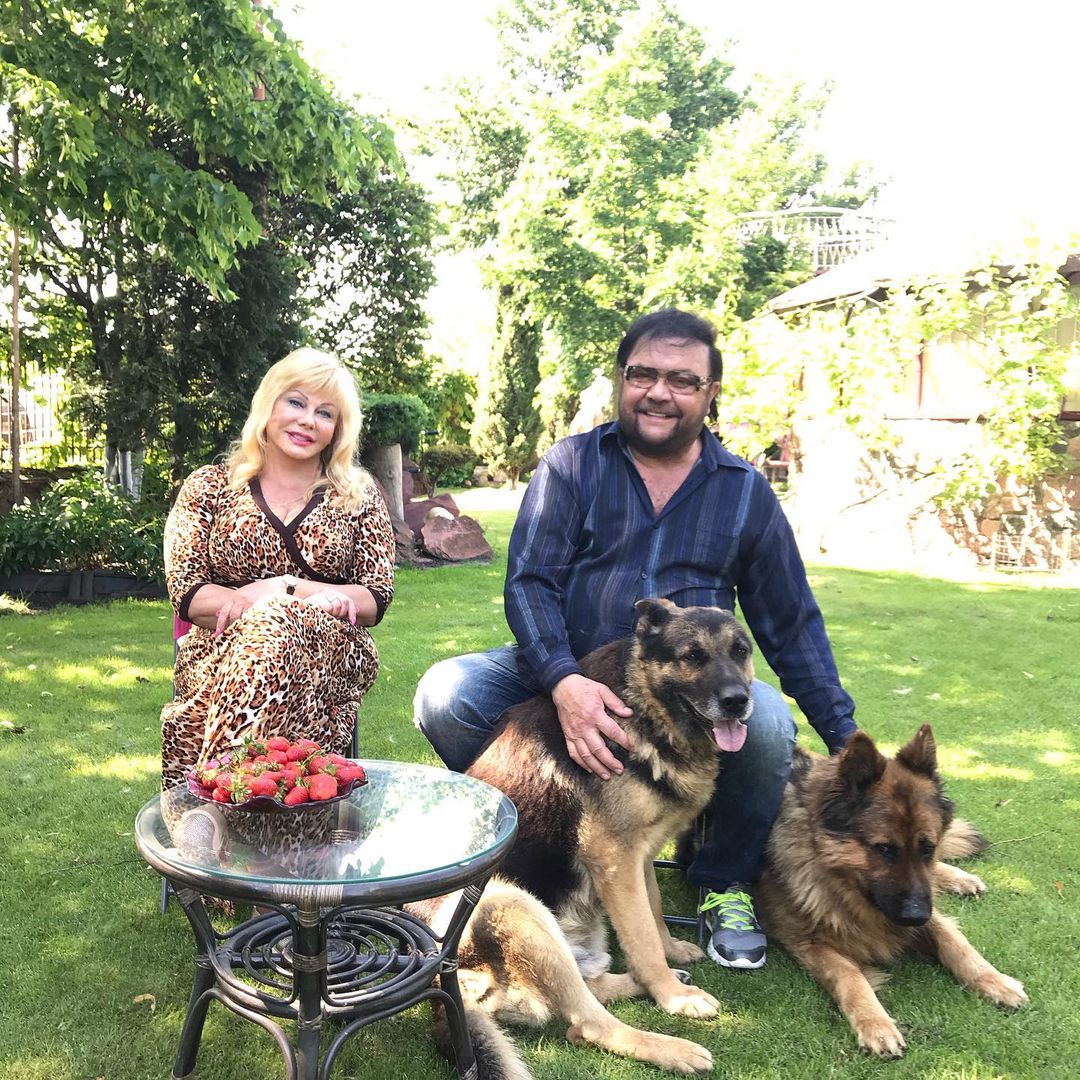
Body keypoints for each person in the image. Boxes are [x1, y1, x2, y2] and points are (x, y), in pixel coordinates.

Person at [414, 308, 856, 970]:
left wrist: (845, 737)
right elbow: (530, 583)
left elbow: (790, 623)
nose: (658, 392)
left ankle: (720, 879)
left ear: (710, 393)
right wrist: (564, 682)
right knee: (447, 693)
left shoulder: (745, 494)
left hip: (686, 681)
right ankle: (545, 841)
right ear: (621, 379)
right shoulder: (571, 466)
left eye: (682, 380)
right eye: (642, 374)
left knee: (765, 727)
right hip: (564, 663)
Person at [160, 347, 395, 788]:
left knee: (279, 621)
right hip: (219, 652)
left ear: (337, 429)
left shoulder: (357, 495)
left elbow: (375, 596)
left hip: (328, 657)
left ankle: (218, 795)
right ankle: (263, 795)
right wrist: (280, 608)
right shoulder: (210, 487)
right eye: (296, 402)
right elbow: (188, 592)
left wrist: (284, 590)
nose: (308, 420)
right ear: (268, 403)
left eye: (325, 413)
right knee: (273, 629)